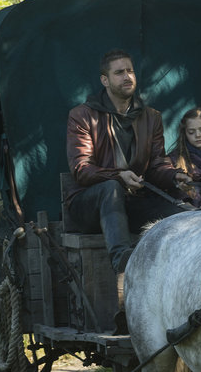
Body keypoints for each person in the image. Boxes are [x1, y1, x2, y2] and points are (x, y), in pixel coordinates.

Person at [65, 49, 189, 273]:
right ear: (105, 80)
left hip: (132, 203)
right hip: (89, 206)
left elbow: (157, 165)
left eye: (130, 71)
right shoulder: (82, 115)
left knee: (183, 213)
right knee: (112, 188)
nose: (127, 77)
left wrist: (174, 176)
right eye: (119, 72)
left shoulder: (151, 117)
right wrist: (118, 177)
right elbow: (81, 169)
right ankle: (123, 259)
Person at [168, 108, 201, 207]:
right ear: (184, 134)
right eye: (191, 132)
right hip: (189, 207)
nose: (198, 135)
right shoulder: (177, 158)